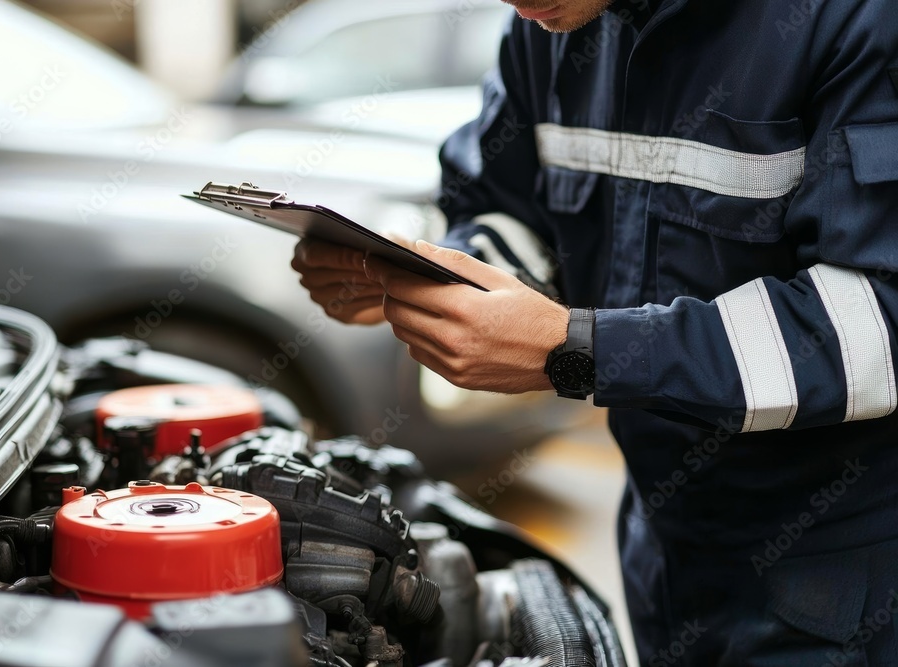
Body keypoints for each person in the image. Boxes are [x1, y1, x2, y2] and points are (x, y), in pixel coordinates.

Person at [292, 0, 898, 664]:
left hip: (846, 575)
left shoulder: (854, 19)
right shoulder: (548, 27)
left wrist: (578, 350)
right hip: (659, 552)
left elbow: (878, 324)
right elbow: (502, 204)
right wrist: (433, 283)